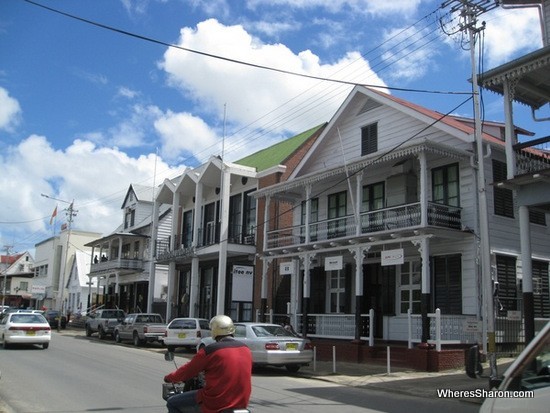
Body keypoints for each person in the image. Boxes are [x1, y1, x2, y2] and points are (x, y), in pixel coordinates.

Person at [163, 315, 252, 413]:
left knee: (172, 402)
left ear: (214, 330)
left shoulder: (211, 351)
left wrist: (170, 377)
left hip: (216, 400)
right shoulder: (246, 349)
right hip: (241, 401)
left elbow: (188, 370)